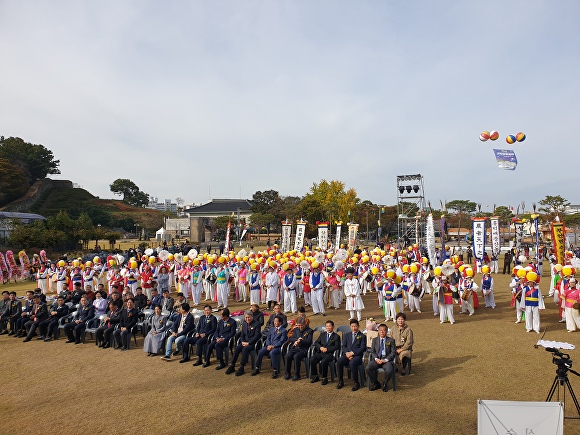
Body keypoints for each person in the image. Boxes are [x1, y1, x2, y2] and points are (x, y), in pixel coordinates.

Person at [225, 310, 261, 376]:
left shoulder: (257, 324)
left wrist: (249, 343)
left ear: (252, 317)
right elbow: (242, 335)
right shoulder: (244, 324)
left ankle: (242, 367)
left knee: (245, 349)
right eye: (246, 317)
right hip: (245, 342)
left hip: (252, 344)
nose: (247, 319)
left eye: (249, 317)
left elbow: (257, 336)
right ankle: (232, 365)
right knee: (237, 348)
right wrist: (242, 341)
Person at [336, 318, 366, 391]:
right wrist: (347, 353)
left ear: (358, 326)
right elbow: (343, 346)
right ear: (350, 327)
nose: (354, 328)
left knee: (352, 363)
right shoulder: (347, 335)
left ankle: (356, 382)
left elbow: (362, 348)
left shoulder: (362, 336)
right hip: (347, 355)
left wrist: (352, 353)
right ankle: (340, 381)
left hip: (357, 356)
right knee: (339, 361)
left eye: (355, 326)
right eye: (352, 326)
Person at [366, 323, 396, 391]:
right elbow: (372, 351)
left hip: (386, 360)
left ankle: (385, 383)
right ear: (378, 331)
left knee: (389, 370)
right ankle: (376, 383)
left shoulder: (391, 340)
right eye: (380, 330)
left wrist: (385, 359)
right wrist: (376, 359)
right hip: (377, 359)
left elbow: (393, 352)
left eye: (384, 330)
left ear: (387, 331)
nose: (382, 332)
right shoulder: (375, 340)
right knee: (368, 368)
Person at [310, 319, 341, 385]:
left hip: (329, 354)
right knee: (312, 359)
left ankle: (324, 377)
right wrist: (320, 347)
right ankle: (315, 376)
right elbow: (316, 342)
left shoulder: (336, 336)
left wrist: (327, 349)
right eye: (327, 326)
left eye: (329, 326)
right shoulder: (322, 334)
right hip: (321, 352)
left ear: (333, 327)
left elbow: (337, 346)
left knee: (324, 361)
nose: (328, 328)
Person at [284, 316, 313, 381]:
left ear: (305, 324)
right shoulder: (296, 329)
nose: (300, 327)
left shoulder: (309, 331)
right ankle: (287, 373)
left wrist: (301, 341)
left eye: (301, 325)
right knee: (288, 355)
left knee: (296, 356)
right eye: (298, 325)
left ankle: (297, 374)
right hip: (295, 347)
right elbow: (291, 338)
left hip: (304, 349)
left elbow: (309, 341)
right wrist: (296, 340)